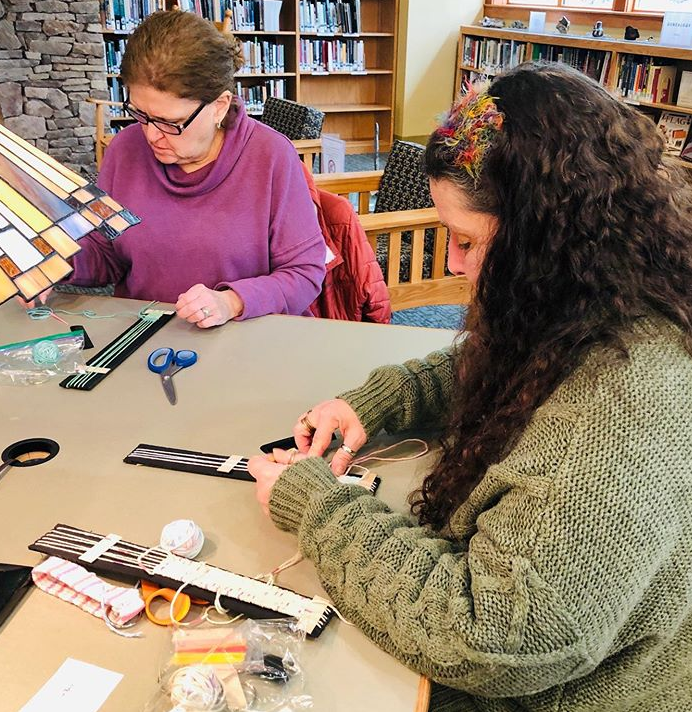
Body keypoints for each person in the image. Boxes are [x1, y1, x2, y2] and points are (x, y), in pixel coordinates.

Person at [248, 62, 692, 711]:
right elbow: (509, 366)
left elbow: (490, 638)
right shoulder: (610, 289)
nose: (454, 263)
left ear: (545, 239)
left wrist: (320, 508)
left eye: (466, 240)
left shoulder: (615, 410)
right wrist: (381, 401)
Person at [64, 11, 325, 326]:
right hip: (146, 336)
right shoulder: (124, 151)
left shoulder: (271, 156)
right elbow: (106, 254)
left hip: (251, 337)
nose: (150, 135)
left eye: (170, 123)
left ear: (219, 106)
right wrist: (51, 263)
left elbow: (305, 275)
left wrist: (231, 301)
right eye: (141, 114)